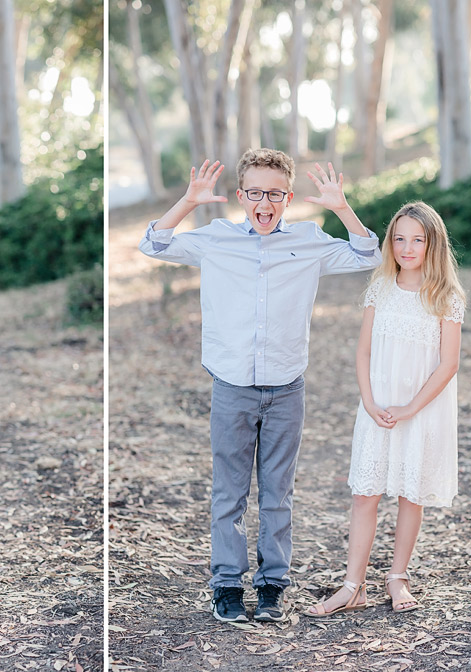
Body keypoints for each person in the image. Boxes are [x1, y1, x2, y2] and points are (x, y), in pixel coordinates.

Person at [138, 149, 382, 623]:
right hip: (231, 386)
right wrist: (188, 201)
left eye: (274, 194)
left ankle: (272, 585)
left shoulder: (309, 240)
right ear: (241, 196)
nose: (264, 203)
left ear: (288, 197)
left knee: (277, 493)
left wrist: (341, 207)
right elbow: (154, 244)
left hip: (287, 387)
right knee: (229, 493)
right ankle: (227, 584)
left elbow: (367, 253)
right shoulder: (217, 239)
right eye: (255, 193)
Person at [305, 202, 465, 618]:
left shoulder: (445, 297)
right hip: (377, 406)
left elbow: (448, 364)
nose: (407, 247)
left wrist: (410, 407)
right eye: (399, 238)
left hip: (421, 408)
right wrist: (371, 402)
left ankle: (398, 577)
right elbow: (363, 352)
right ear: (390, 243)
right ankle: (351, 585)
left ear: (434, 243)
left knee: (411, 495)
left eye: (418, 239)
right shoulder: (380, 289)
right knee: (365, 493)